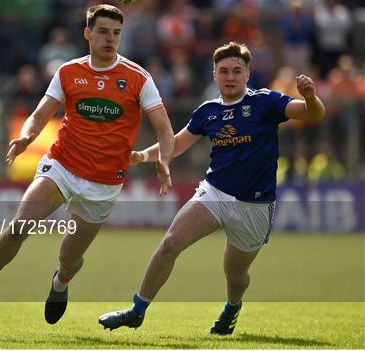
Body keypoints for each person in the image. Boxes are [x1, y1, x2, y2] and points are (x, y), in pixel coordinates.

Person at [0, 4, 175, 324]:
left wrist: (162, 160)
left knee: (70, 257)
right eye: (104, 32)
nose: (111, 39)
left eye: (117, 33)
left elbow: (164, 129)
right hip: (62, 166)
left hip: (104, 181)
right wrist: (26, 137)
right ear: (88, 34)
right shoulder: (68, 71)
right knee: (20, 225)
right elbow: (40, 114)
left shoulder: (138, 77)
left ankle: (60, 282)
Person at [98, 41, 325, 335]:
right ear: (214, 74)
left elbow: (313, 114)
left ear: (247, 74)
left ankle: (232, 306)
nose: (229, 76)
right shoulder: (208, 111)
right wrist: (143, 155)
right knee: (170, 244)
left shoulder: (266, 102)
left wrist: (310, 97)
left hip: (254, 206)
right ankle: (137, 309)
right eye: (223, 71)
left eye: (236, 71)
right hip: (214, 193)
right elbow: (176, 144)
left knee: (235, 275)